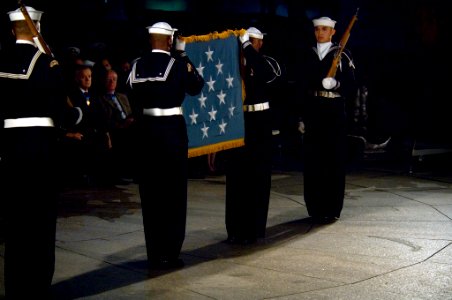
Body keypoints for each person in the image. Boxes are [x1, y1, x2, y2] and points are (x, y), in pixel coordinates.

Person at [0, 6, 82, 298]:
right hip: (39, 147)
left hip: (9, 147)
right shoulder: (46, 63)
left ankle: (15, 287)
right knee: (40, 221)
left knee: (14, 222)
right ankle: (36, 286)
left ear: (12, 30)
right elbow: (64, 112)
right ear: (38, 30)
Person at [127, 21, 204, 269]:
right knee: (173, 193)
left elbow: (130, 94)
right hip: (171, 131)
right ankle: (169, 254)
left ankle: (154, 252)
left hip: (146, 132)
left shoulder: (136, 65)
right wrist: (182, 54)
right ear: (170, 41)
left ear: (151, 39)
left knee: (150, 194)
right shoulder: (177, 64)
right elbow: (197, 86)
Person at [296, 16, 358, 223]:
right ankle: (314, 207)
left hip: (333, 111)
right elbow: (301, 87)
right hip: (314, 110)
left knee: (333, 160)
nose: (320, 33)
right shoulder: (307, 55)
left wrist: (337, 84)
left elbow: (353, 86)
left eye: (324, 29)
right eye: (317, 29)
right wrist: (301, 117)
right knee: (313, 160)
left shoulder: (342, 54)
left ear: (332, 32)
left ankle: (331, 208)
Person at [225, 27, 281, 245]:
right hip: (239, 122)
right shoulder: (233, 64)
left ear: (260, 44)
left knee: (258, 176)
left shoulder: (268, 63)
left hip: (260, 123)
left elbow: (265, 74)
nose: (250, 45)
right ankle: (235, 228)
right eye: (247, 42)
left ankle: (254, 228)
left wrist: (247, 47)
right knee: (237, 177)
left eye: (254, 41)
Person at [99, 69, 135, 182]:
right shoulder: (100, 99)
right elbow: (104, 119)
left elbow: (129, 112)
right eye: (109, 79)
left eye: (114, 79)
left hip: (129, 125)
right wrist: (121, 125)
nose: (112, 82)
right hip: (116, 128)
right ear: (104, 81)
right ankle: (121, 174)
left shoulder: (122, 96)